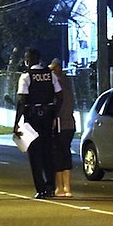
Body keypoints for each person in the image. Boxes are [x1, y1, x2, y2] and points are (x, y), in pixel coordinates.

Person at [13, 48, 63, 199]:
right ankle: (50, 187)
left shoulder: (26, 76)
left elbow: (22, 101)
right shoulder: (50, 75)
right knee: (48, 152)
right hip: (48, 117)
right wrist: (54, 114)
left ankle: (40, 189)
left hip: (32, 118)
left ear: (28, 60)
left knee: (35, 154)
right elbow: (60, 97)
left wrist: (16, 123)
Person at [49, 59, 76, 197]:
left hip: (60, 124)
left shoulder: (58, 87)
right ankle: (67, 187)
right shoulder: (68, 84)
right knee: (65, 154)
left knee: (59, 155)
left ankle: (60, 187)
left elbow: (58, 106)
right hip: (69, 125)